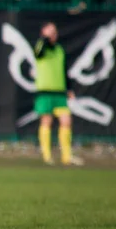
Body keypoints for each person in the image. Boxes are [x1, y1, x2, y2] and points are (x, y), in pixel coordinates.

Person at [33, 23, 83, 166]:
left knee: (66, 121)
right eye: (50, 32)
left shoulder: (59, 50)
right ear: (43, 33)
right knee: (47, 122)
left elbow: (64, 70)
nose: (53, 34)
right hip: (45, 91)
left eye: (55, 32)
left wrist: (69, 89)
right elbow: (38, 53)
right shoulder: (40, 46)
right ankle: (47, 155)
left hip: (59, 92)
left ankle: (67, 156)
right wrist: (44, 38)